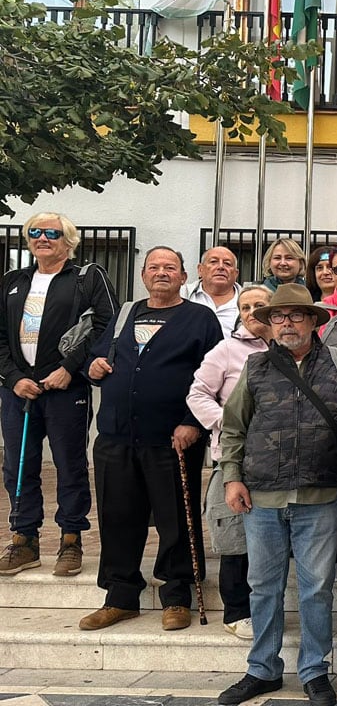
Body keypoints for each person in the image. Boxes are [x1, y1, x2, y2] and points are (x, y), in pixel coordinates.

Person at [215, 283, 337, 706]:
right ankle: (262, 669)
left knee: (317, 588)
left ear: (314, 321)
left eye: (297, 315)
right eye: (278, 316)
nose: (287, 323)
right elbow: (234, 426)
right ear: (270, 324)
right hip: (261, 496)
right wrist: (231, 477)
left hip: (320, 495)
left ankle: (315, 671)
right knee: (263, 586)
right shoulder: (255, 367)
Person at [79, 247, 223, 632]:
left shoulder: (200, 318)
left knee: (177, 517)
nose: (162, 273)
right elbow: (96, 360)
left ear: (182, 277)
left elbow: (214, 376)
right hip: (115, 436)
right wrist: (93, 367)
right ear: (143, 274)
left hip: (172, 438)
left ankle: (176, 596)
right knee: (117, 517)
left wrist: (193, 421)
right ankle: (120, 596)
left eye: (170, 268)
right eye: (154, 267)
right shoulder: (125, 313)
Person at [0, 213, 116, 577]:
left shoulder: (86, 277)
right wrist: (14, 377)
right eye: (34, 232)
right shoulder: (13, 281)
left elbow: (105, 325)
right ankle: (24, 540)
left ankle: (70, 539)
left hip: (67, 388)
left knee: (69, 464)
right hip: (19, 390)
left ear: (68, 241)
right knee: (18, 465)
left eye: (52, 232)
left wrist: (70, 368)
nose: (42, 238)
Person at [186, 285, 273, 639]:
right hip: (236, 458)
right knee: (236, 537)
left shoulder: (289, 347)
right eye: (246, 306)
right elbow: (198, 393)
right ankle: (237, 611)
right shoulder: (225, 350)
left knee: (268, 540)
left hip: (279, 461)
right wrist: (227, 419)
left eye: (260, 305)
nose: (252, 312)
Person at [183, 246, 241, 337]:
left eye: (227, 264)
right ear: (200, 269)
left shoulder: (250, 300)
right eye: (213, 262)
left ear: (236, 274)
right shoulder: (181, 295)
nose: (221, 267)